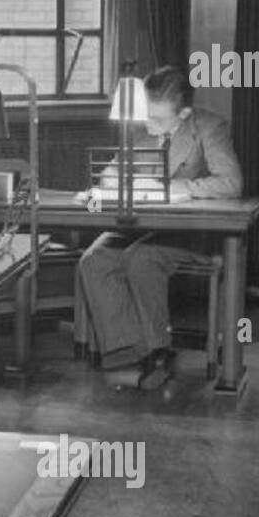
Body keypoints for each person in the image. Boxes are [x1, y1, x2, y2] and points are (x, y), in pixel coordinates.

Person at [77, 65, 243, 391]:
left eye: (158, 120)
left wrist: (182, 188)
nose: (148, 125)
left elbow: (231, 183)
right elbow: (109, 175)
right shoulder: (142, 125)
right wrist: (128, 179)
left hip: (191, 234)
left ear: (183, 113)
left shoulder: (209, 128)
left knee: (142, 259)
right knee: (94, 259)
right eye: (146, 117)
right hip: (143, 226)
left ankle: (157, 352)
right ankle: (128, 348)